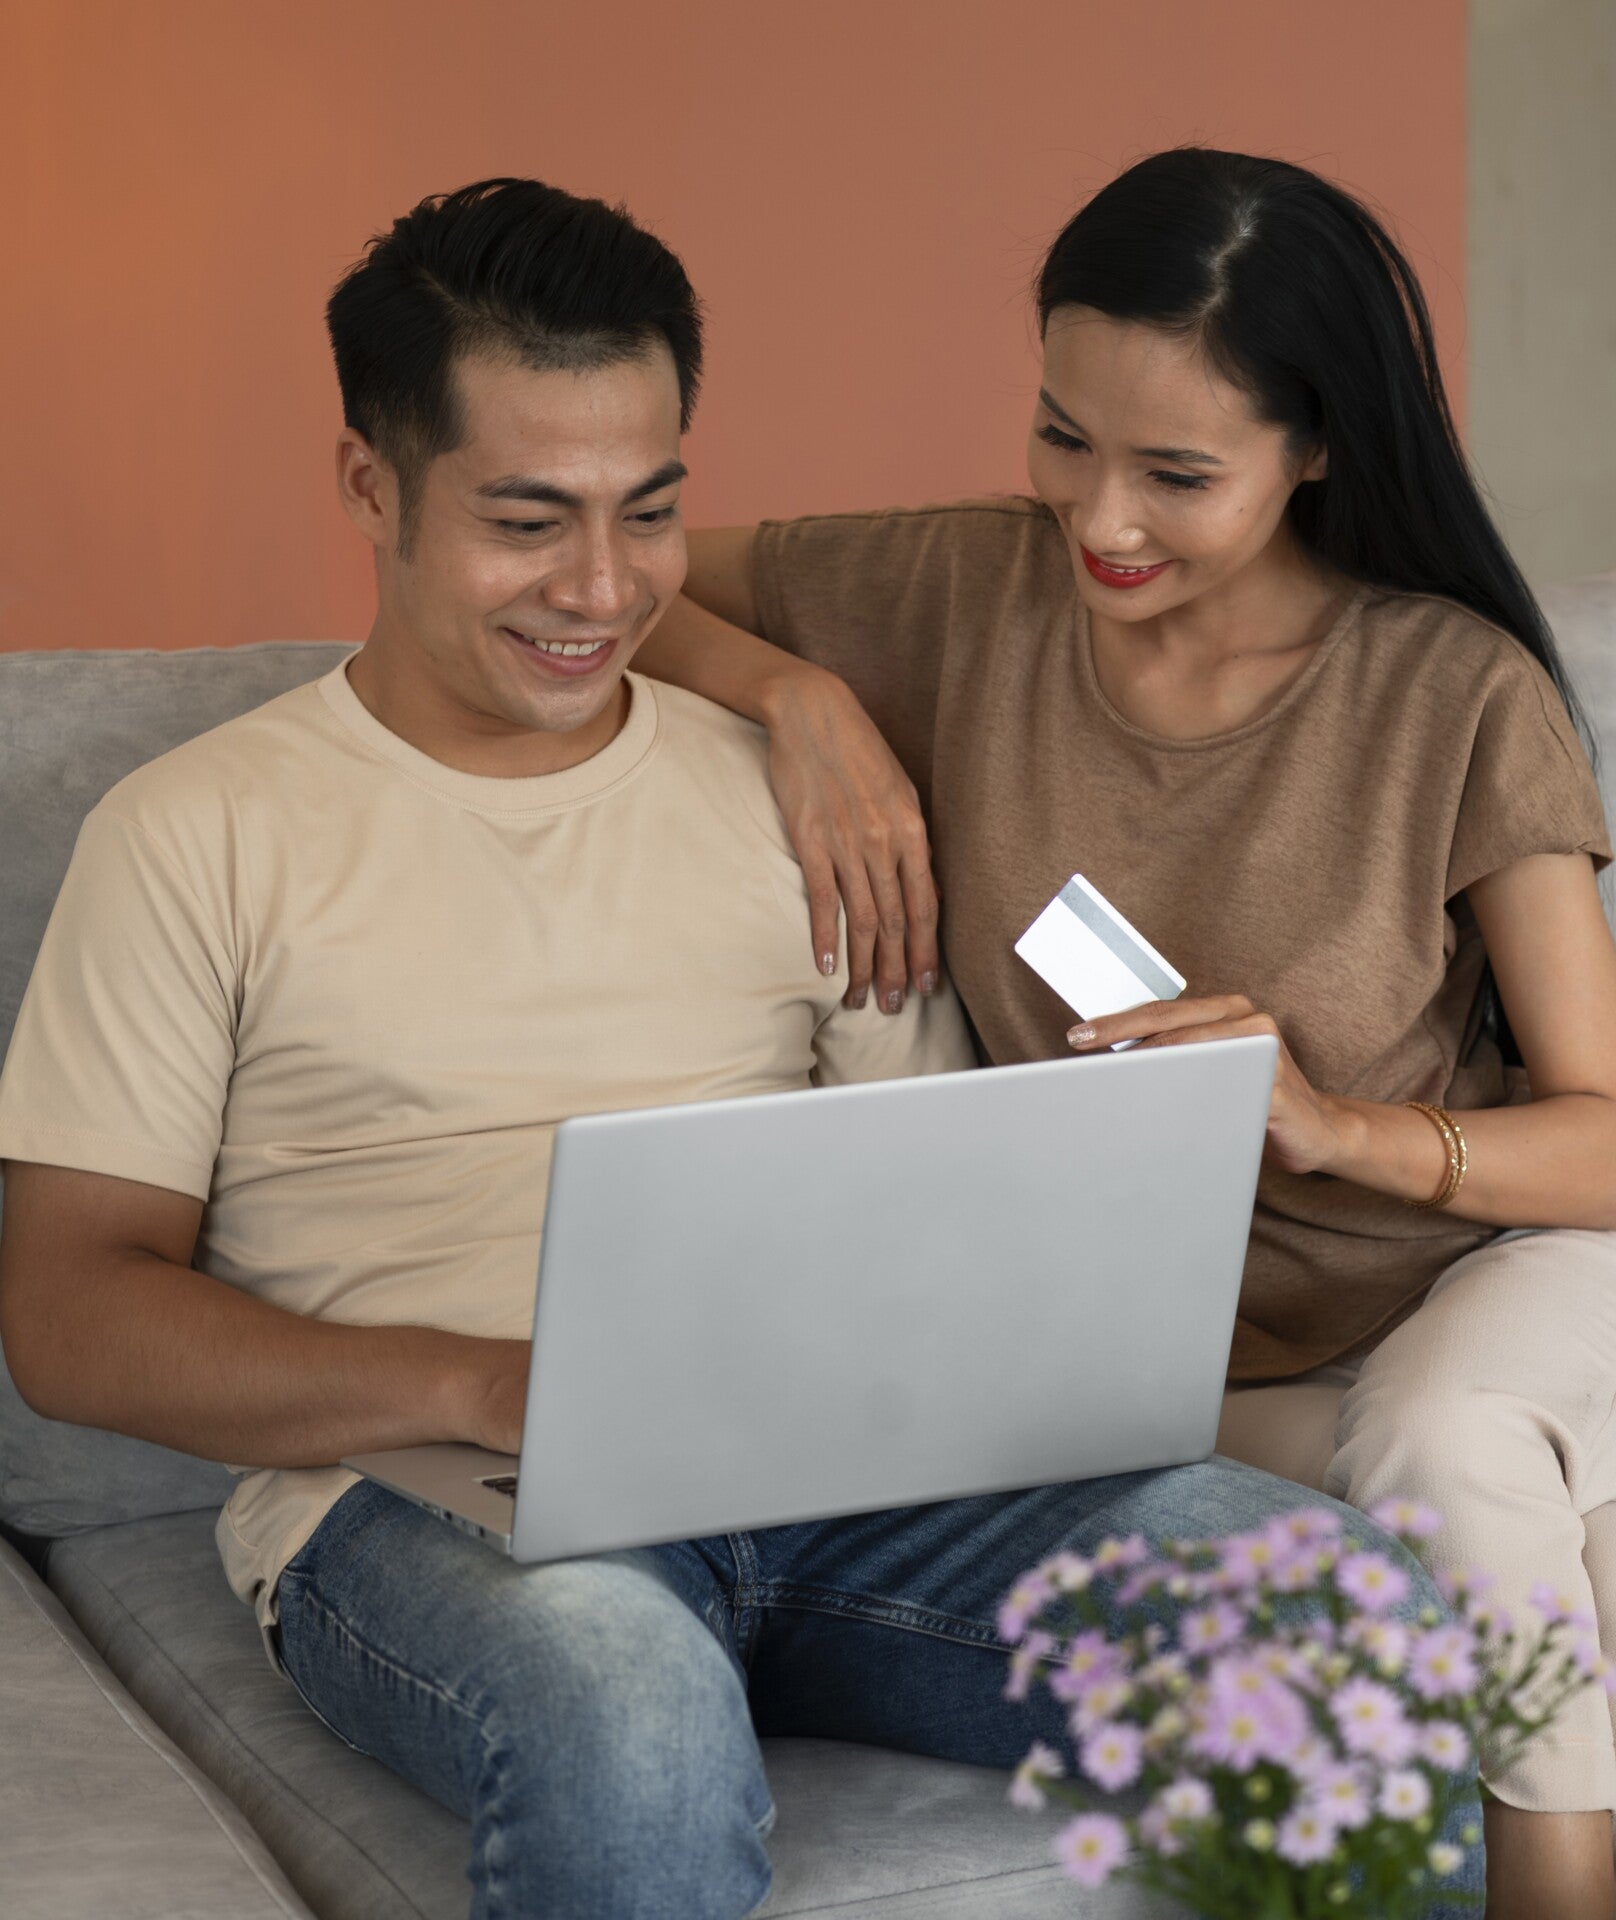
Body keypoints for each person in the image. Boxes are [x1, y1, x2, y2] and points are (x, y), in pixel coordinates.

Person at [0, 177, 1470, 1920]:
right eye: (530, 520)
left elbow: (929, 1190)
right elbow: (70, 1316)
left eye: (651, 512)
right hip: (426, 1500)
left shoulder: (805, 809)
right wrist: (482, 1382)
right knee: (627, 1708)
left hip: (853, 1481)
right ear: (371, 486)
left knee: (1336, 1617)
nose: (602, 588)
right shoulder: (199, 832)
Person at [635, 147, 1616, 1919]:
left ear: (1317, 447)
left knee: (1453, 1456)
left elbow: (1606, 1130)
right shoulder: (961, 595)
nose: (1102, 521)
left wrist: (1333, 1127)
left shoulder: (1454, 691)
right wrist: (803, 700)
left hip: (1481, 1269)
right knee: (1545, 1543)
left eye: (1177, 473)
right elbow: (622, 579)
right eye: (1061, 435)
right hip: (1184, 1367)